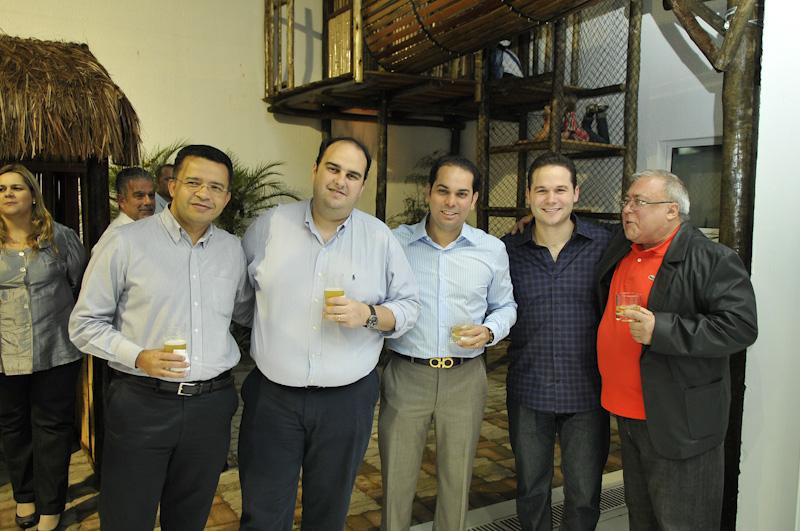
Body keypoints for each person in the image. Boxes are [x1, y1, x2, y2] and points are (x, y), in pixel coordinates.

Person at [238, 136, 420, 531]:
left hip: (346, 403)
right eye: (333, 169)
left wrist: (368, 315)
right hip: (273, 400)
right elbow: (242, 300)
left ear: (362, 184)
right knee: (262, 514)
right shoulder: (269, 226)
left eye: (352, 175)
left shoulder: (378, 238)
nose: (340, 181)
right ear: (315, 170)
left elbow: (408, 308)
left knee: (329, 513)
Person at [69, 145, 253, 531]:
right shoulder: (125, 243)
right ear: (172, 186)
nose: (204, 194)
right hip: (142, 403)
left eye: (216, 187)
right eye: (194, 182)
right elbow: (84, 324)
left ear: (226, 198)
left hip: (211, 406)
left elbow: (245, 312)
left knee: (190, 517)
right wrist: (138, 355)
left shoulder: (232, 250)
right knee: (127, 517)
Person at [596, 169, 757, 530]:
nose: (627, 209)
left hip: (680, 422)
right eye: (627, 200)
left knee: (683, 521)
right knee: (642, 518)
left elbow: (740, 327)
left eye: (639, 201)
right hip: (628, 413)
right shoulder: (623, 246)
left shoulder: (712, 259)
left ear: (672, 210)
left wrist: (661, 330)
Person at [379, 155, 517, 531]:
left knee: (457, 480)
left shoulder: (491, 250)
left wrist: (489, 331)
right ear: (428, 192)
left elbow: (506, 305)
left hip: (465, 377)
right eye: (443, 191)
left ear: (474, 199)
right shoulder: (395, 244)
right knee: (396, 480)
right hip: (407, 374)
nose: (451, 202)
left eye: (461, 193)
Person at [502, 152, 612, 531]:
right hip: (528, 389)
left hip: (587, 391)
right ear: (528, 196)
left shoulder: (606, 244)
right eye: (542, 190)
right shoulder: (506, 251)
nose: (552, 199)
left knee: (584, 493)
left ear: (576, 193)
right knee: (531, 490)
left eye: (561, 190)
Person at [0, 163, 86, 531]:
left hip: (56, 350)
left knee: (52, 428)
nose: (8, 194)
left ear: (33, 194)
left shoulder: (60, 237)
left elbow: (80, 283)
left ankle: (51, 505)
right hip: (4, 356)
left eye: (16, 187)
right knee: (13, 427)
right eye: (1, 189)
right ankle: (25, 496)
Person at [93, 167, 156, 252]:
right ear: (122, 201)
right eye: (139, 196)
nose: (148, 202)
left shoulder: (153, 229)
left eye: (151, 195)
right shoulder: (114, 239)